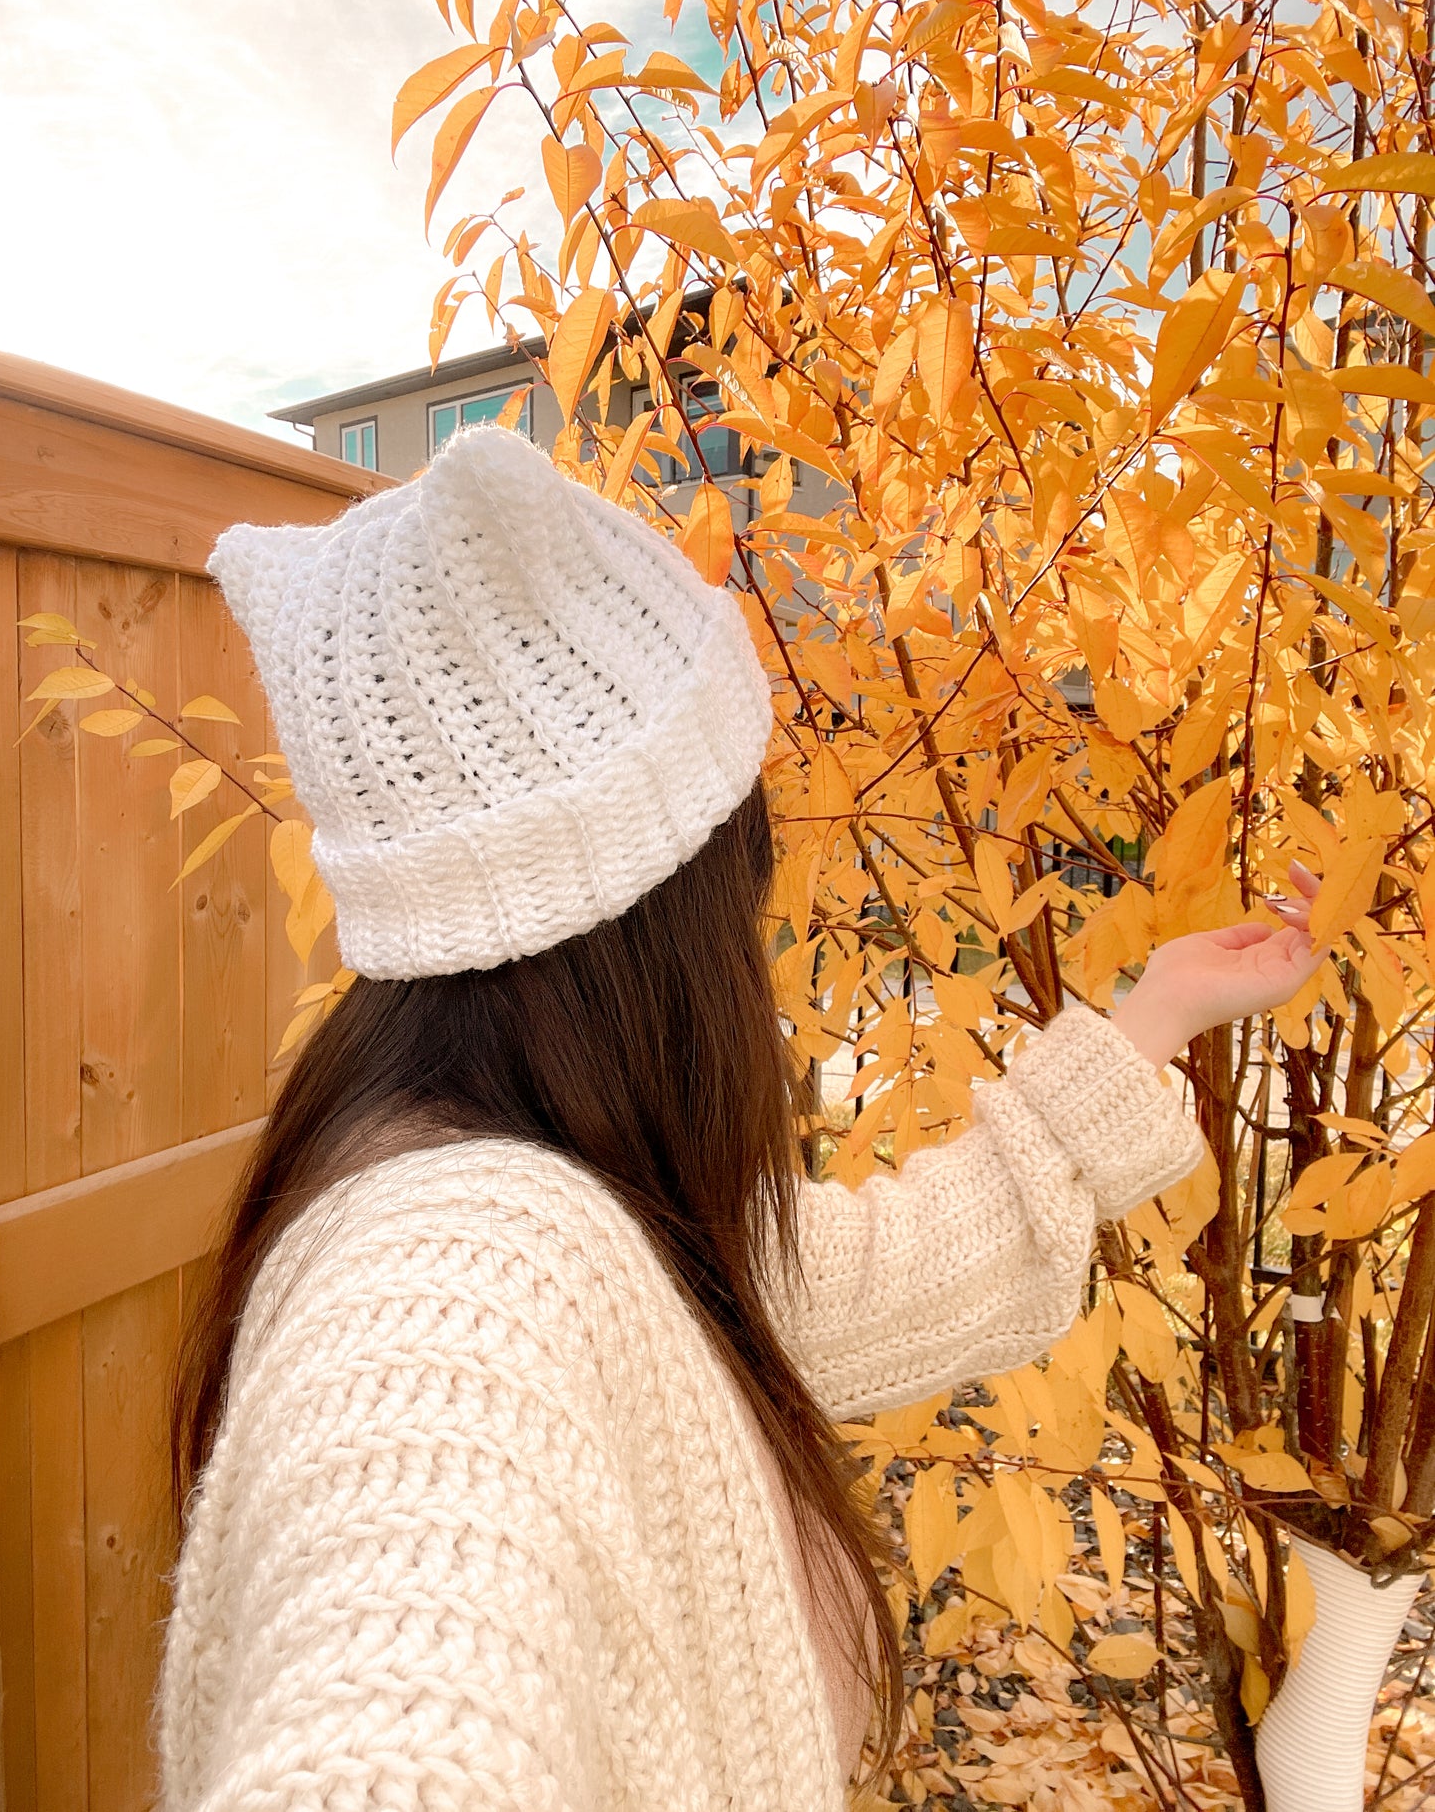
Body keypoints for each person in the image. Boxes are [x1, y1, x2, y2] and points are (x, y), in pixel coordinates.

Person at [154, 423, 1327, 1811]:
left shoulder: (538, 1169)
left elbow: (828, 1283)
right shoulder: (455, 1281)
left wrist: (1152, 1019)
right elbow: (390, 1727)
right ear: (659, 895)